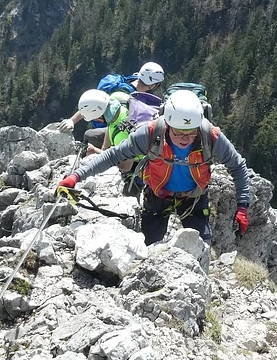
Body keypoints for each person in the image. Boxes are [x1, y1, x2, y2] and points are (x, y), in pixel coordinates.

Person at [57, 90, 250, 245]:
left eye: (191, 133)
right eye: (179, 133)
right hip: (157, 197)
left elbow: (238, 166)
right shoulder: (151, 133)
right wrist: (76, 176)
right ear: (167, 125)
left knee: (201, 249)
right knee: (149, 249)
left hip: (193, 199)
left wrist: (243, 206)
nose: (185, 139)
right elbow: (114, 155)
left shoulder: (210, 136)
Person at [59, 62, 165, 133]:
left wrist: (72, 120)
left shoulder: (128, 81)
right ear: (153, 84)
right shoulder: (126, 97)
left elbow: (92, 102)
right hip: (111, 131)